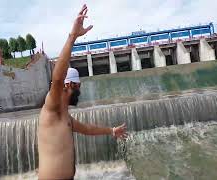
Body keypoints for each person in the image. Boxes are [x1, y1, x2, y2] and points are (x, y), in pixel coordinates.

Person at [38, 4, 128, 180]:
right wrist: (72, 37)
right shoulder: (52, 108)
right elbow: (57, 78)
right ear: (69, 85)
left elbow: (87, 129)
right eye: (78, 86)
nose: (79, 90)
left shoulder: (65, 117)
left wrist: (111, 131)